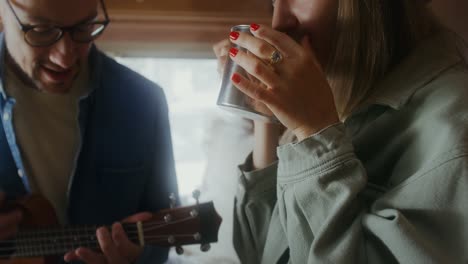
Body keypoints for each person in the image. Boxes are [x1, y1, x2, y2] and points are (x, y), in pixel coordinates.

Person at [215, 0, 468, 263]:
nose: (279, 21)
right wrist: (265, 114)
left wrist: (316, 134)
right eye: (273, 1)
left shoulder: (455, 126)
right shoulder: (339, 101)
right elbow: (259, 254)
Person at [0, 0, 178, 263]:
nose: (65, 56)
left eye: (84, 27)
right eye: (41, 30)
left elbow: (164, 232)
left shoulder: (144, 102)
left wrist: (137, 257)